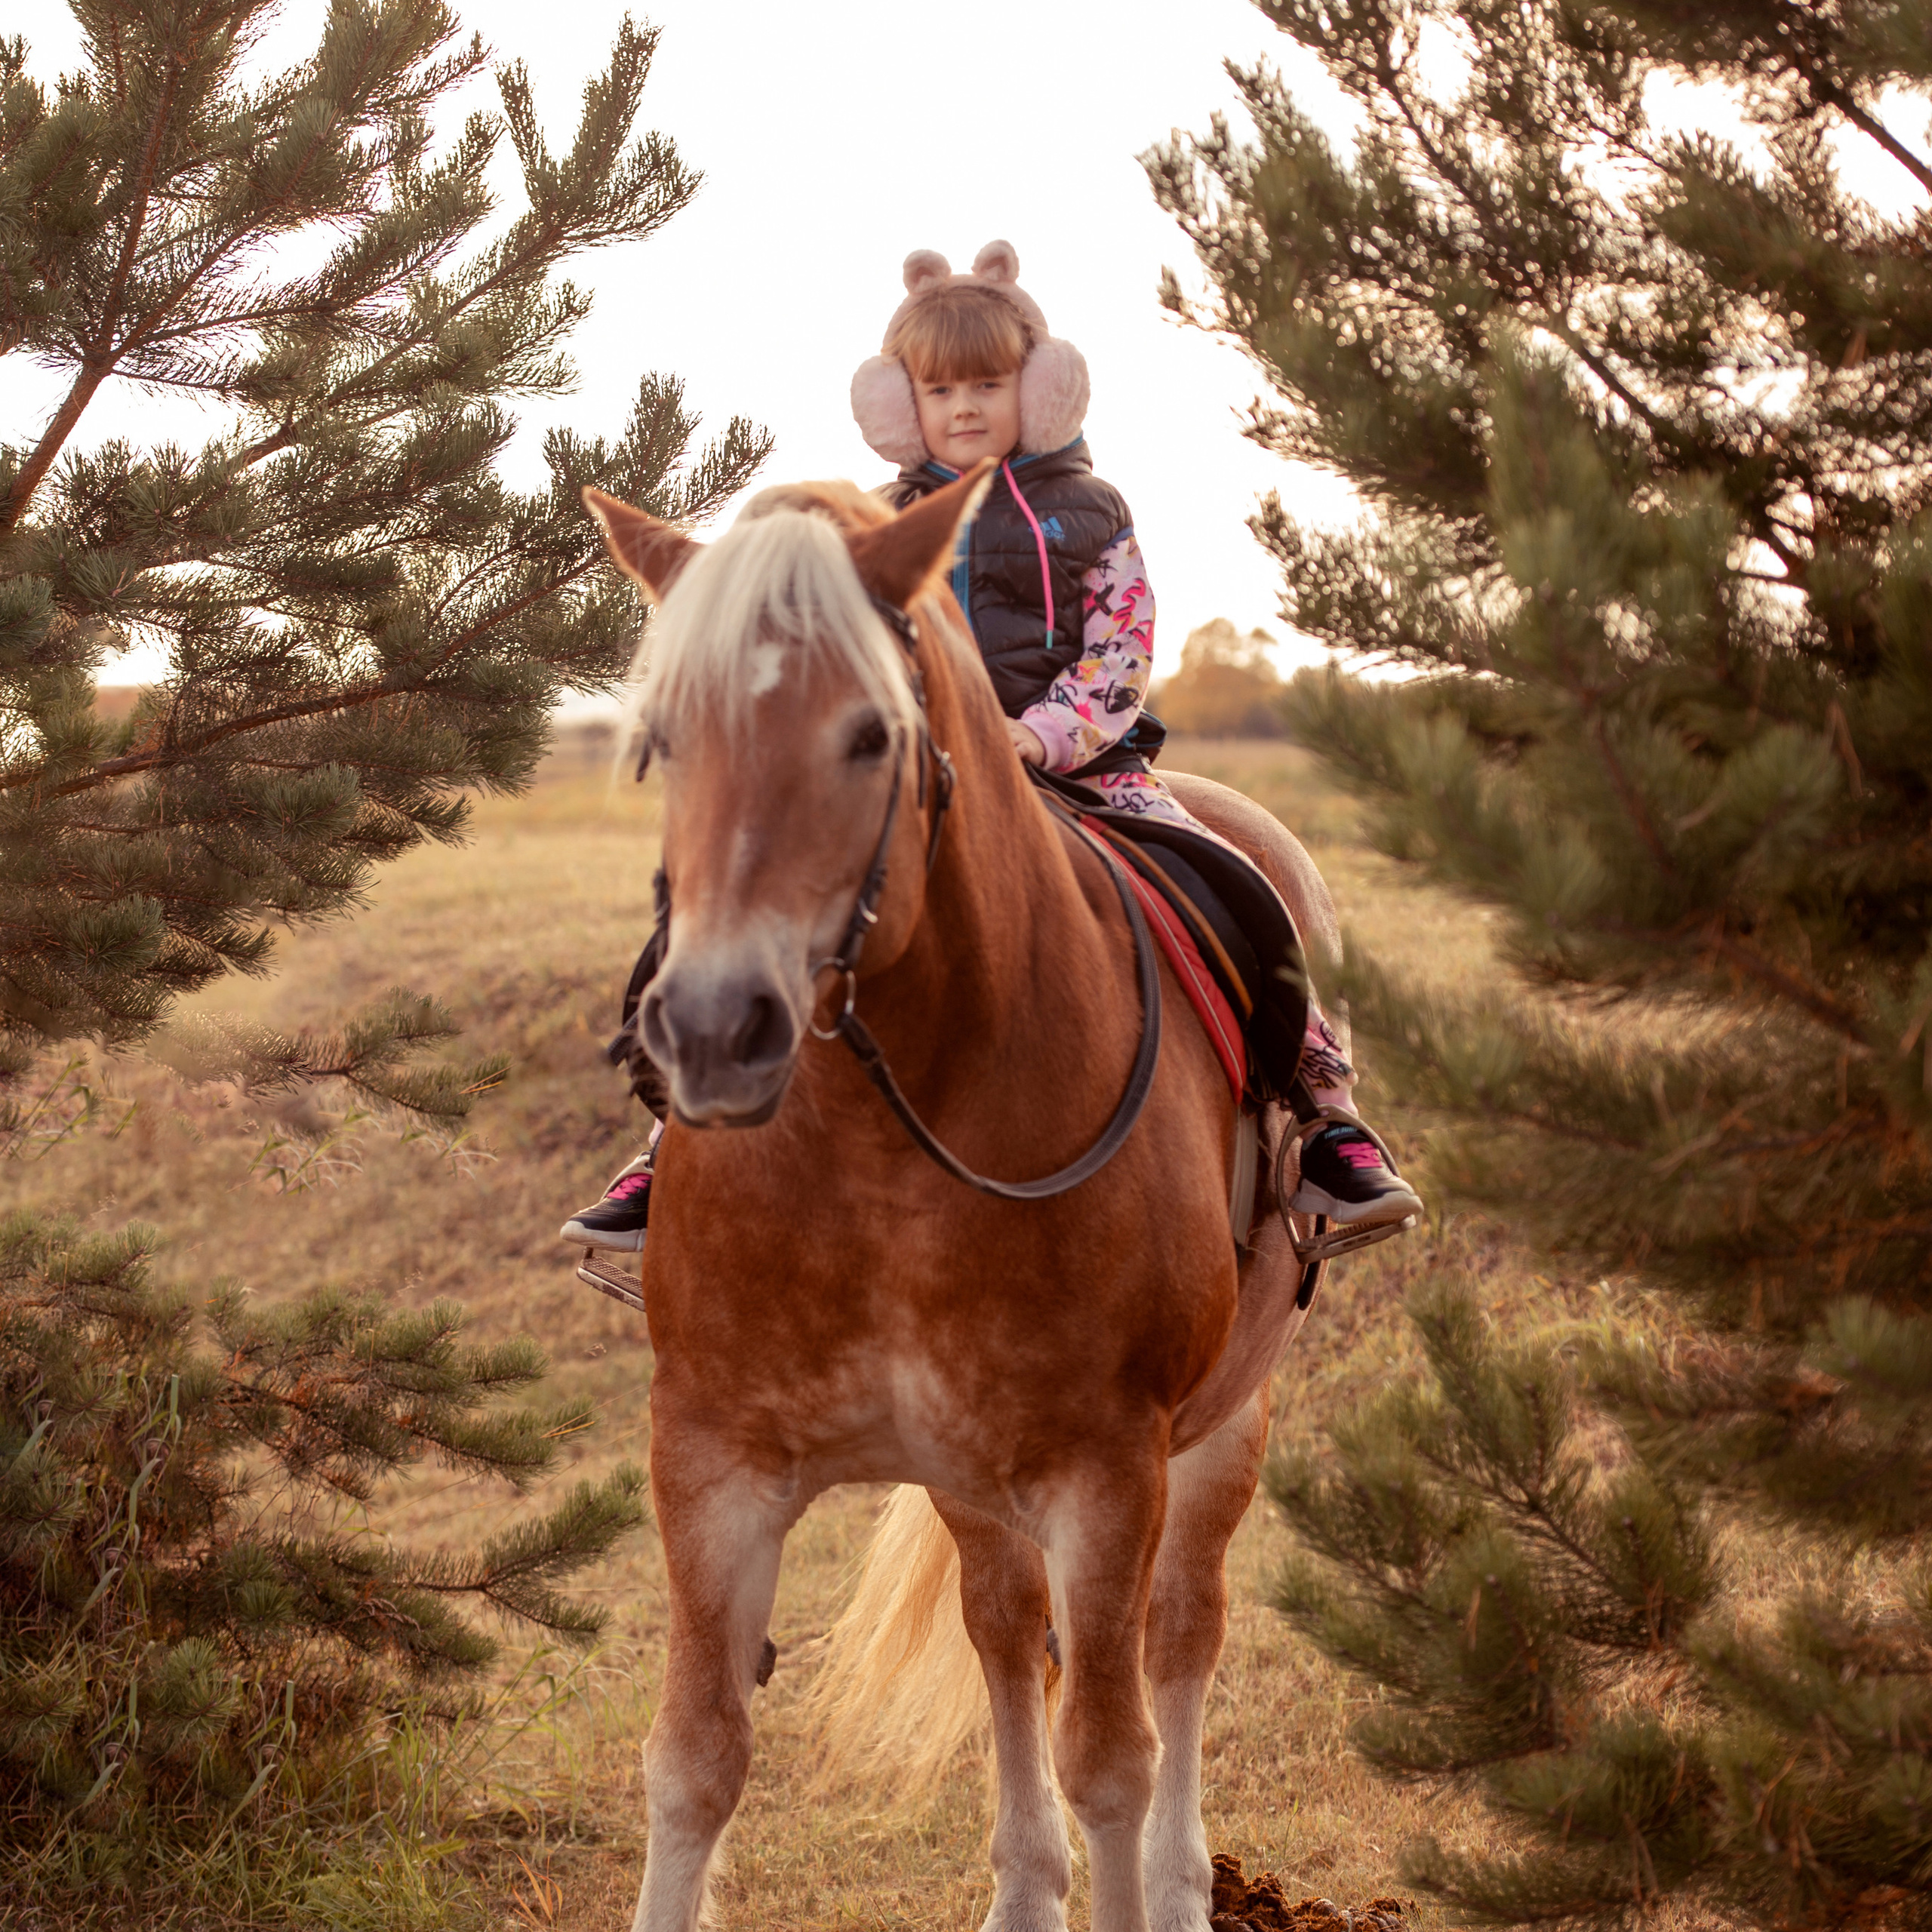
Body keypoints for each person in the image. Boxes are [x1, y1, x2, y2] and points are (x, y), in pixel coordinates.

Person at [561, 241, 1419, 1253]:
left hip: (1085, 770)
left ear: (1040, 390)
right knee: (712, 911)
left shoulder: (1090, 513)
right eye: (939, 388)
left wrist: (1041, 735)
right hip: (913, 781)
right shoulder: (866, 528)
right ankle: (672, 1137)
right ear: (900, 404)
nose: (964, 407)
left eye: (989, 383)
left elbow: (1120, 648)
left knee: (1231, 884)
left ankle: (1322, 1113)